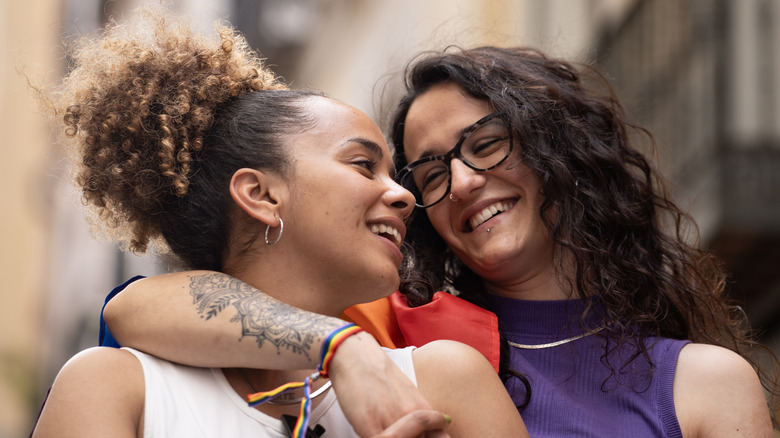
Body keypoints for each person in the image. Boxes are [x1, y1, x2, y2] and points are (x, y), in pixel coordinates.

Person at [98, 47, 778, 436]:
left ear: (562, 150)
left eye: (485, 145)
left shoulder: (701, 384)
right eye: (427, 171)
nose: (459, 182)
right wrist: (345, 349)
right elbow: (136, 309)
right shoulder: (404, 331)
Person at [31, 8, 529, 438]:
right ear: (262, 195)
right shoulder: (115, 389)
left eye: (396, 175)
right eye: (361, 164)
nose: (404, 195)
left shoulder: (448, 380)